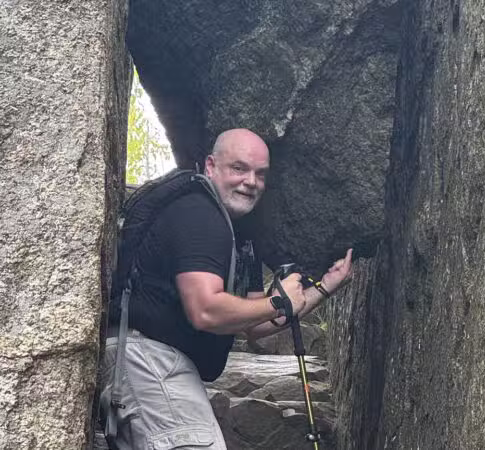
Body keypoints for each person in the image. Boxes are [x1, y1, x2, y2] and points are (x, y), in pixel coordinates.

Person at [101, 128, 353, 449]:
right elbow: (205, 309)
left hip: (149, 364)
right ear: (210, 166)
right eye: (239, 168)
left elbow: (255, 323)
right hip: (149, 361)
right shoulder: (199, 213)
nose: (251, 181)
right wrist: (277, 301)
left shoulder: (239, 237)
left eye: (260, 174)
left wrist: (325, 287)